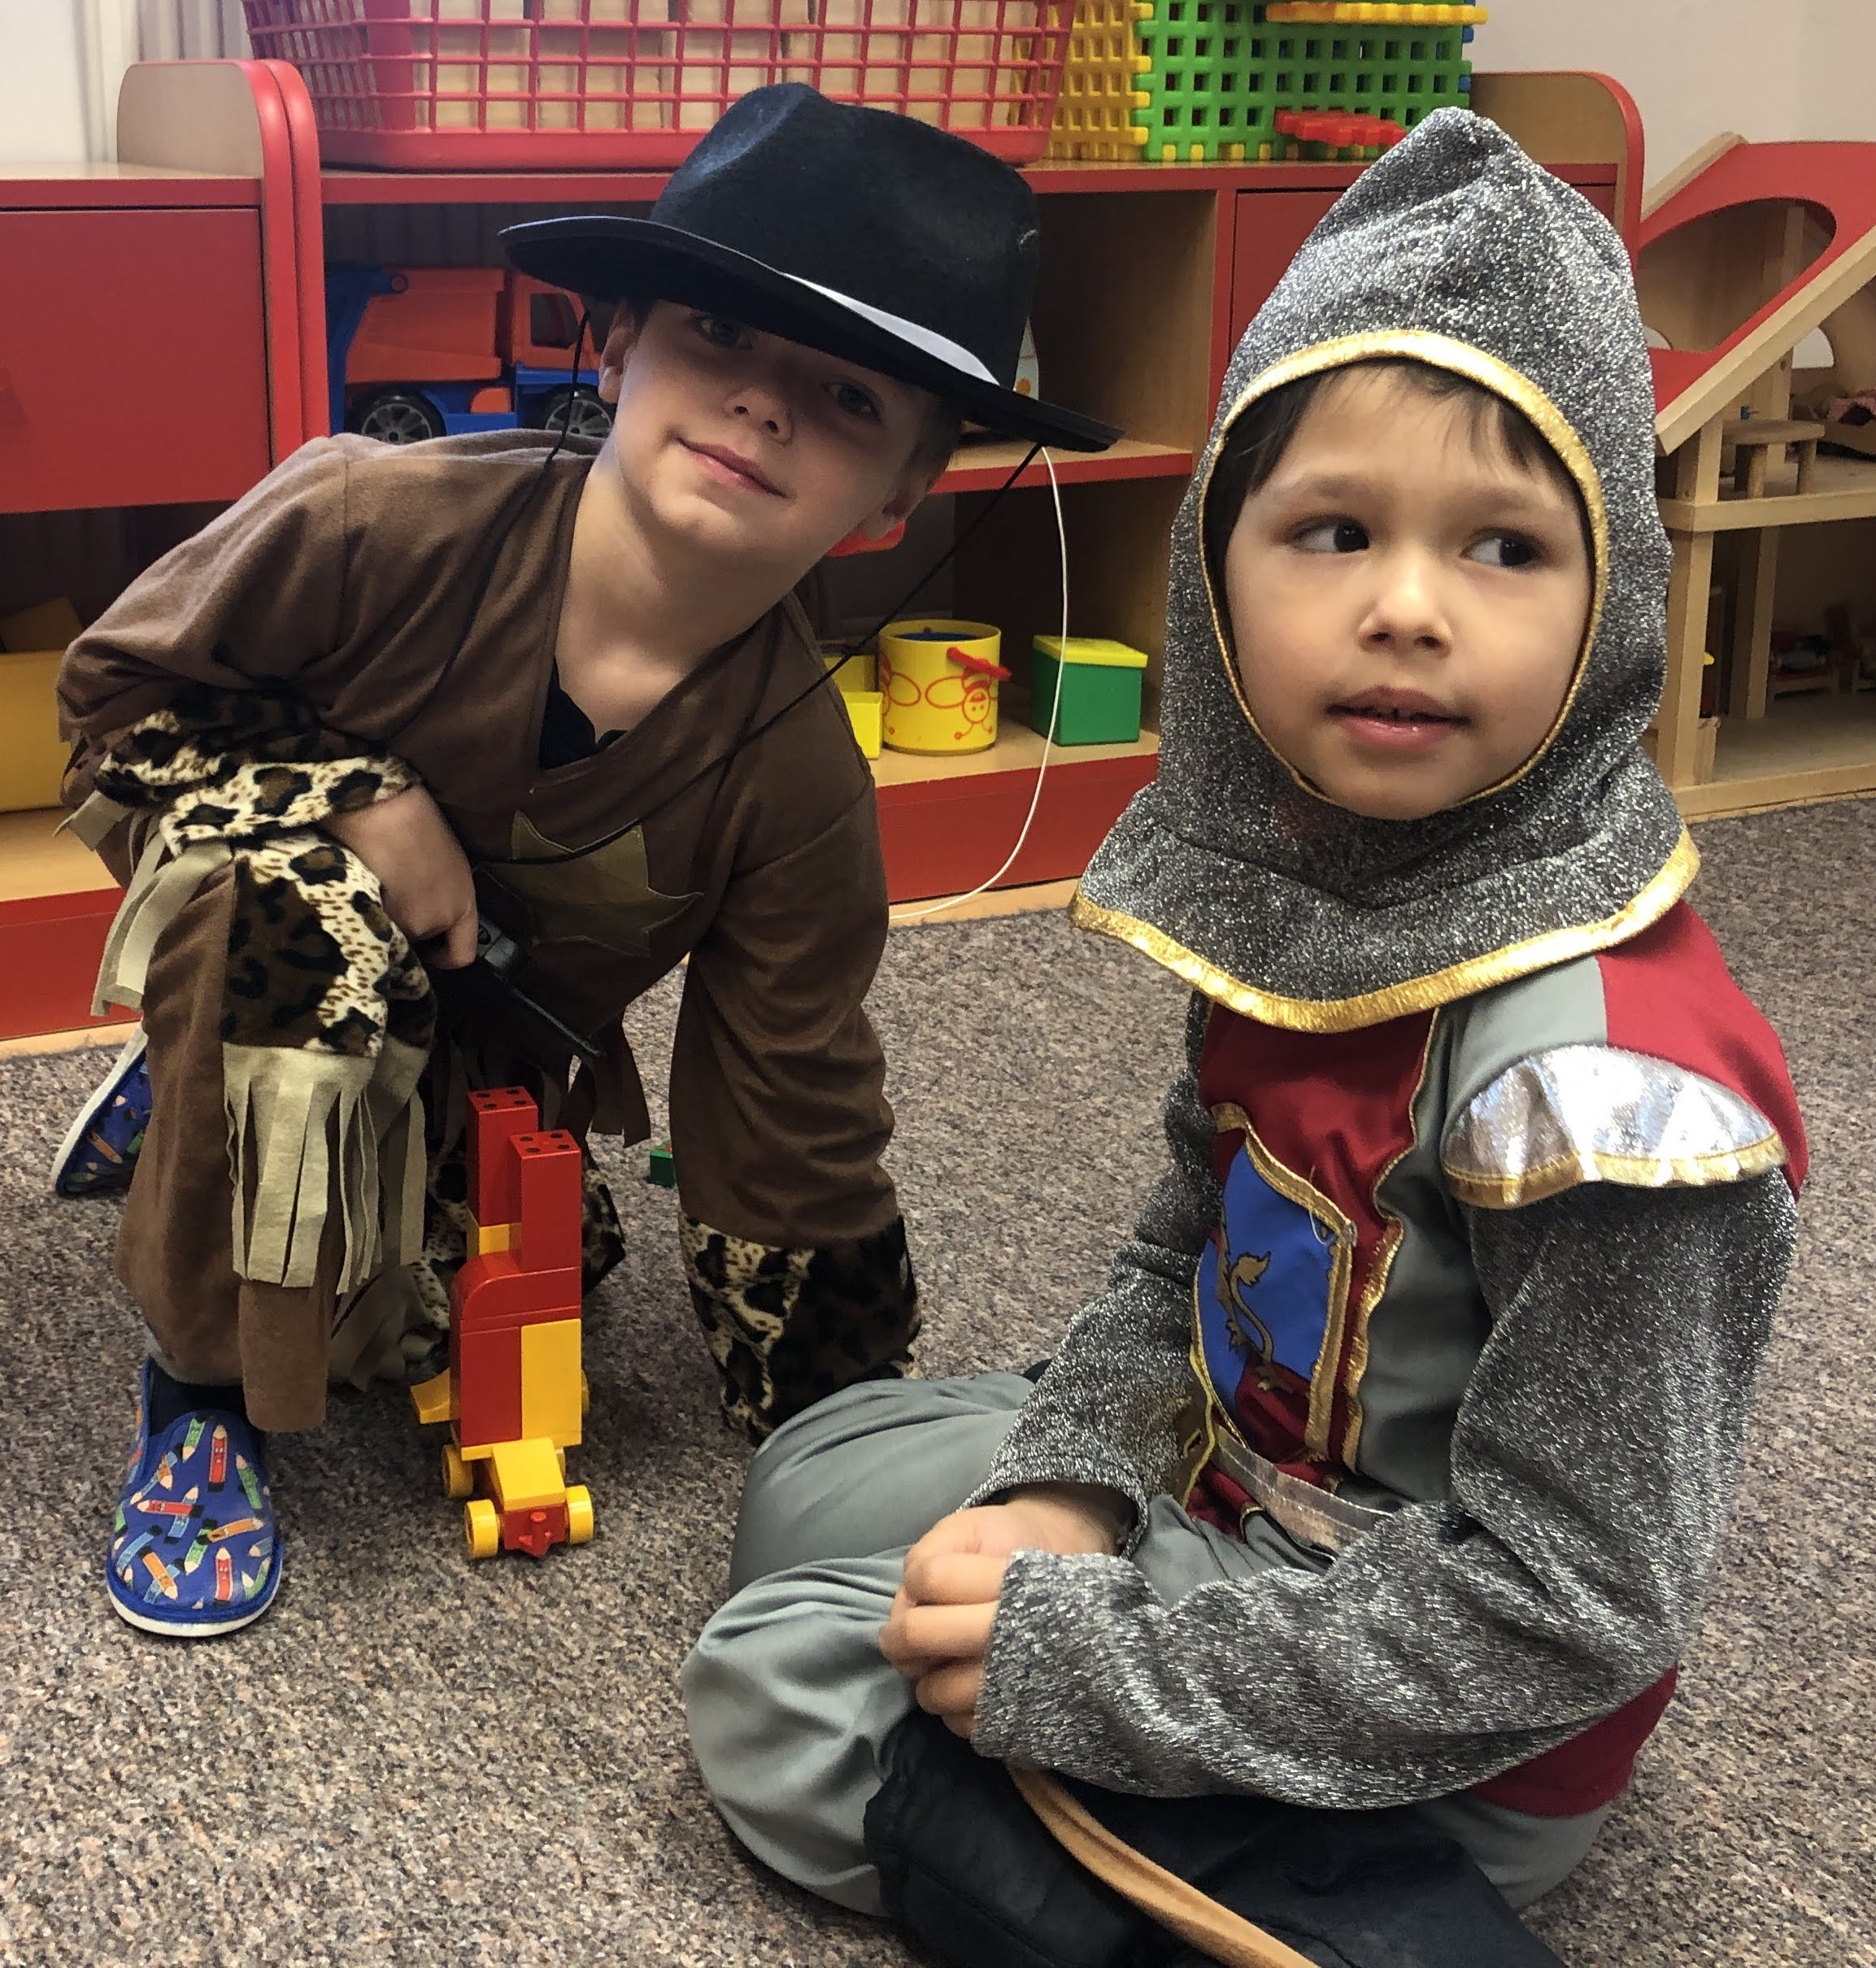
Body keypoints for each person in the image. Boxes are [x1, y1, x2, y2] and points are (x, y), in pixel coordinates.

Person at [678, 110, 1806, 1960]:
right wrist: (1073, 1483)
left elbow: (1572, 1610)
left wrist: (1094, 1666)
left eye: (1505, 546)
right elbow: (1181, 1253)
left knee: (774, 1683)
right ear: (1218, 575)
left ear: (1612, 599)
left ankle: (1354, 1916)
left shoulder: (1601, 1091)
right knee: (810, 1482)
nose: (1405, 607)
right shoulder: (1312, 894)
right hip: (1242, 1465)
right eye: (1332, 531)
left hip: (1419, 1689)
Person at [57, 83, 1117, 1639]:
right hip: (265, 898)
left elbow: (790, 1094)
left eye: (847, 398)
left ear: (905, 490)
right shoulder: (367, 518)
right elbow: (111, 698)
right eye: (720, 335)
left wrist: (847, 1425)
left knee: (507, 1275)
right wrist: (361, 798)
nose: (763, 407)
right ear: (616, 341)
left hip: (480, 1025)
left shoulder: (799, 784)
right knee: (293, 936)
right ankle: (201, 1386)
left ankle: (230, 1088)